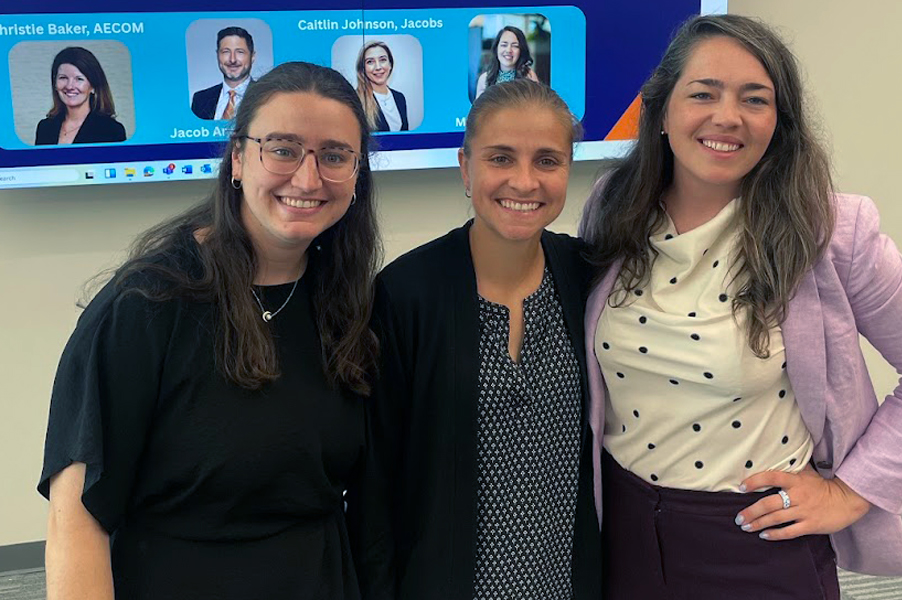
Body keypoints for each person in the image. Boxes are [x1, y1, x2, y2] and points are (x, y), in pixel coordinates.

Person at [580, 14, 902, 600]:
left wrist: (851, 490)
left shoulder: (830, 231)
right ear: (660, 109)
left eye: (755, 99)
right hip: (621, 524)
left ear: (779, 122)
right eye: (702, 93)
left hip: (752, 538)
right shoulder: (614, 205)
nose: (727, 117)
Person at [39, 62, 382, 600]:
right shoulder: (145, 305)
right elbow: (77, 520)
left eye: (335, 155)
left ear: (358, 175)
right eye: (283, 148)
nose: (308, 178)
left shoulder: (347, 302)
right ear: (239, 159)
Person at [366, 79, 599, 600]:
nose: (524, 180)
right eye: (500, 158)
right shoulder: (405, 294)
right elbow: (373, 482)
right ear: (466, 168)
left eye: (547, 160)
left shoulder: (589, 277)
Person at [35, 47, 126, 145]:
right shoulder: (44, 128)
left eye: (79, 79)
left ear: (93, 86)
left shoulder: (112, 131)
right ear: (55, 84)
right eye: (63, 78)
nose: (69, 86)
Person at [191, 26, 256, 120]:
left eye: (240, 52)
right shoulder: (200, 99)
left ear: (252, 56)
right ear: (218, 55)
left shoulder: (267, 97)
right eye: (226, 52)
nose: (232, 59)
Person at [474, 25, 540, 100]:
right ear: (496, 48)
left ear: (521, 51)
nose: (509, 50)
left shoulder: (529, 76)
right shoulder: (484, 79)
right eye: (504, 45)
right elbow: (478, 110)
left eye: (515, 46)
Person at [356, 41, 409, 132]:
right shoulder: (357, 100)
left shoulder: (399, 97)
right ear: (362, 69)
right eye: (370, 62)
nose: (378, 67)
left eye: (382, 60)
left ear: (390, 65)